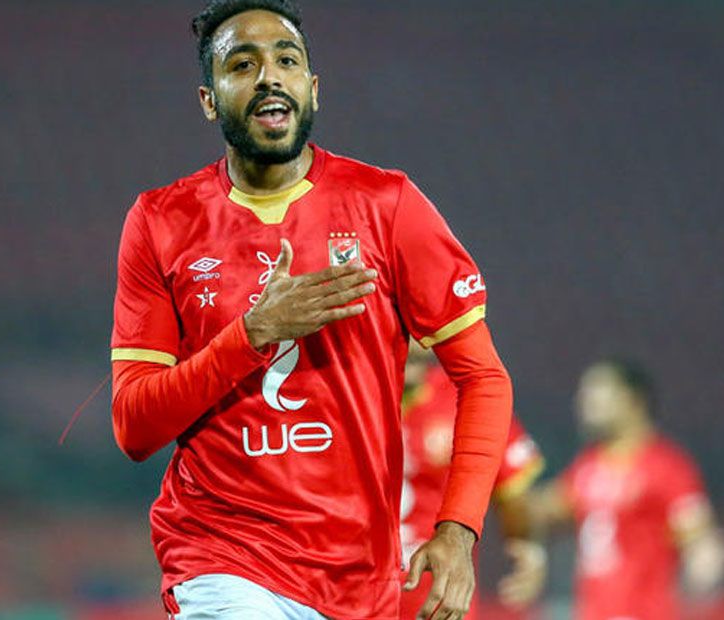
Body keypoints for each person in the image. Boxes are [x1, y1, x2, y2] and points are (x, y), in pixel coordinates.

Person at [109, 2, 513, 618]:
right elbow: (134, 427)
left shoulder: (388, 205)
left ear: (313, 88)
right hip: (221, 557)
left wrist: (458, 529)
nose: (269, 76)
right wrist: (253, 333)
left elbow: (483, 377)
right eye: (242, 65)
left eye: (287, 60)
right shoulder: (161, 221)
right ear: (209, 100)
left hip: (358, 577)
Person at [529, 359, 724, 620]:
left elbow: (697, 534)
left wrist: (703, 562)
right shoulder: (587, 466)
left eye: (597, 392)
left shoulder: (666, 467)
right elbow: (542, 511)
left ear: (633, 400)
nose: (585, 402)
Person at [400, 344, 547, 620]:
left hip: (436, 603)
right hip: (354, 599)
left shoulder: (464, 396)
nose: (416, 347)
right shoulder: (348, 396)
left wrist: (528, 547)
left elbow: (513, 491)